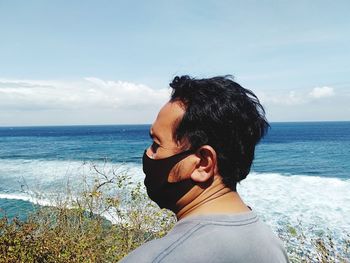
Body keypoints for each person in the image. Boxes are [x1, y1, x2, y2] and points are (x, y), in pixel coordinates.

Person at [121, 75, 289, 262]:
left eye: (156, 145)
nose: (148, 154)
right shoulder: (272, 246)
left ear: (203, 164)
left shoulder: (156, 258)